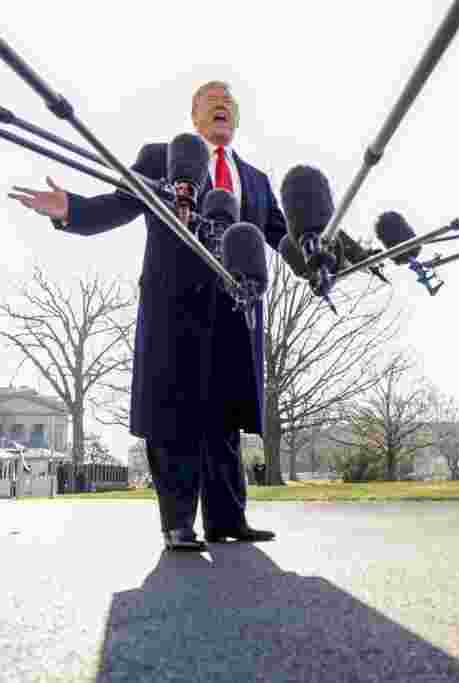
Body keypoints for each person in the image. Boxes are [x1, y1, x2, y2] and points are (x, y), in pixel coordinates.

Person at [9, 81, 285, 552]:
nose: (221, 104)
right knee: (173, 414)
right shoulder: (163, 160)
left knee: (225, 419)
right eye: (210, 99)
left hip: (236, 309)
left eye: (228, 102)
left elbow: (282, 236)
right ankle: (178, 523)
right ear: (194, 114)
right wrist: (69, 210)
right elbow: (116, 205)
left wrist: (328, 254)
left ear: (235, 118)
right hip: (174, 307)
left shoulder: (255, 180)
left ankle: (226, 518)